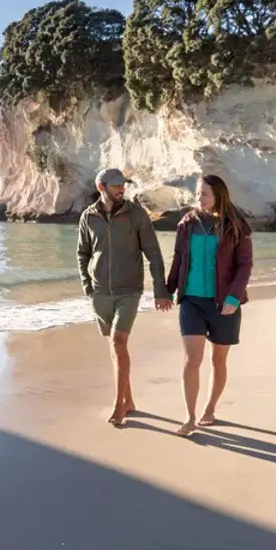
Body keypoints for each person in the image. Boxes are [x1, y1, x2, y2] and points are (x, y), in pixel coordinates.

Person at [76, 168, 172, 426]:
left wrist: (160, 291)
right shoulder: (88, 217)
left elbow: (153, 254)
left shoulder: (136, 214)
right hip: (100, 293)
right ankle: (128, 400)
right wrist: (88, 287)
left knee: (118, 343)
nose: (121, 189)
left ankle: (119, 406)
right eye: (116, 185)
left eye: (123, 185)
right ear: (101, 187)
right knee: (115, 347)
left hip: (129, 291)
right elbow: (82, 254)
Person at [166, 174, 254, 436]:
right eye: (197, 193)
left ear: (219, 196)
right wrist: (167, 290)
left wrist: (233, 298)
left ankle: (210, 408)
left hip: (224, 303)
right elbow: (179, 259)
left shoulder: (236, 225)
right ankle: (189, 416)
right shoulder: (187, 224)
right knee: (192, 359)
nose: (199, 198)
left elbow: (244, 265)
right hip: (192, 301)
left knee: (218, 359)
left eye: (204, 194)